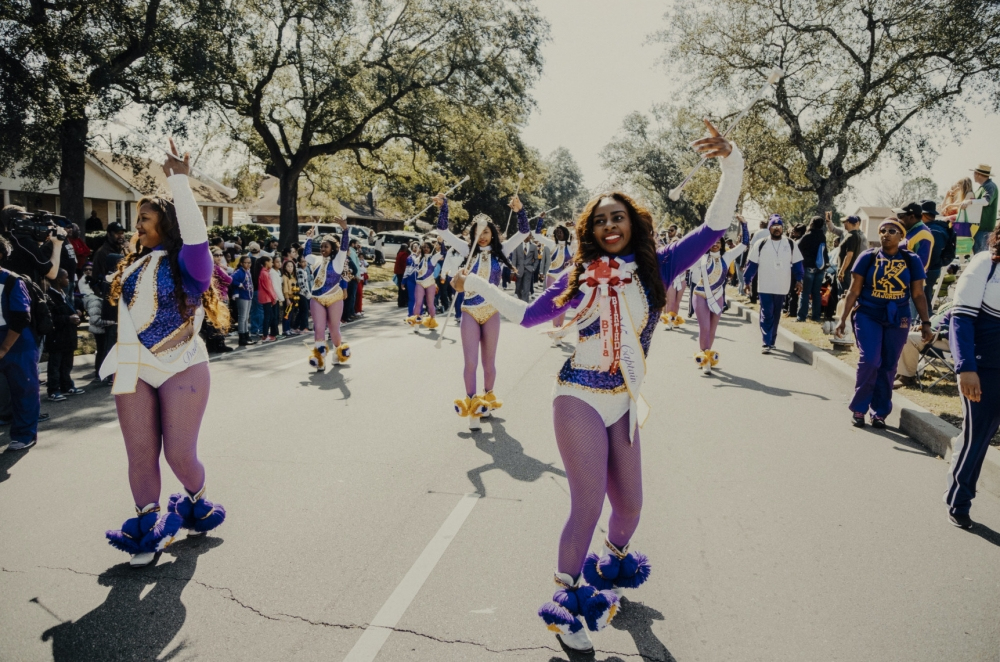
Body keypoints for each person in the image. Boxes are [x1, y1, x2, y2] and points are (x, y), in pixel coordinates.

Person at [452, 120, 742, 653]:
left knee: (629, 507)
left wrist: (731, 161)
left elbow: (714, 227)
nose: (611, 225)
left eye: (619, 217)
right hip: (578, 397)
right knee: (586, 501)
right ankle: (565, 605)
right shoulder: (577, 276)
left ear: (633, 224)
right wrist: (474, 282)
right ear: (590, 228)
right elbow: (525, 314)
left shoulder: (660, 266)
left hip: (624, 402)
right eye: (601, 219)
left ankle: (610, 565)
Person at [100, 143, 227, 567]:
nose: (137, 225)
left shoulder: (191, 262)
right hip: (134, 367)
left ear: (168, 225)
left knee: (178, 454)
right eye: (138, 219)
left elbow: (196, 233)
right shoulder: (132, 266)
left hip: (182, 365)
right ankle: (148, 524)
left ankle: (196, 501)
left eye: (146, 218)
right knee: (139, 452)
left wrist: (178, 181)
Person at [436, 194, 529, 431]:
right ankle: (472, 406)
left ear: (492, 233)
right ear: (472, 234)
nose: (483, 236)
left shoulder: (503, 250)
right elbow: (444, 231)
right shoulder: (467, 249)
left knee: (489, 363)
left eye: (487, 231)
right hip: (469, 310)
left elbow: (523, 233)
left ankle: (487, 399)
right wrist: (444, 206)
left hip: (491, 312)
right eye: (479, 232)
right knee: (470, 362)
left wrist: (520, 211)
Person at [835, 218, 932, 428]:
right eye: (883, 230)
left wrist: (926, 322)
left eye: (892, 231)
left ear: (901, 236)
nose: (886, 234)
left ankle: (879, 411)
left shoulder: (911, 259)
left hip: (899, 316)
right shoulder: (867, 257)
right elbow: (854, 290)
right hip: (868, 313)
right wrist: (842, 319)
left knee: (889, 364)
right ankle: (859, 409)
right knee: (870, 359)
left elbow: (918, 293)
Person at [944, 224, 1000, 528]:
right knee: (977, 436)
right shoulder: (984, 264)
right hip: (982, 367)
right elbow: (961, 321)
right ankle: (959, 498)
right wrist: (966, 367)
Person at [689, 218, 748, 373]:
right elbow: (686, 260)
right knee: (705, 327)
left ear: (721, 244)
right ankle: (705, 360)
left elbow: (744, 245)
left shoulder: (726, 257)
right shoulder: (701, 257)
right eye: (712, 242)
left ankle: (707, 354)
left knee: (713, 329)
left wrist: (745, 225)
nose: (715, 244)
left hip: (718, 297)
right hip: (701, 295)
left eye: (718, 242)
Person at [0, 236, 42, 451]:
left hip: (17, 343)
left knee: (23, 389)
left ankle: (24, 434)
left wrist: (4, 348)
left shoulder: (11, 280)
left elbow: (20, 318)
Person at [743, 215, 804, 353]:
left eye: (779, 227)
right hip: (764, 285)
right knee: (766, 311)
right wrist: (747, 281)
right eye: (774, 227)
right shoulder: (761, 244)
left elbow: (797, 264)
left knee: (776, 314)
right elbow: (751, 265)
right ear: (769, 228)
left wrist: (799, 280)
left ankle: (772, 341)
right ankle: (766, 342)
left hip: (782, 286)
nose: (776, 229)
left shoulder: (790, 243)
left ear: (782, 228)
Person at [303, 220, 351, 371]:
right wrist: (309, 238)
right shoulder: (316, 260)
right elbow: (306, 255)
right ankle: (320, 359)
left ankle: (338, 352)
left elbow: (344, 247)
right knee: (318, 328)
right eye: (322, 246)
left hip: (334, 298)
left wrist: (345, 230)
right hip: (317, 298)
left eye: (326, 246)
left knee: (334, 328)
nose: (323, 248)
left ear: (332, 249)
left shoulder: (338, 261)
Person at [44, 269, 85, 402]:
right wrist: (68, 318)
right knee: (55, 364)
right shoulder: (49, 295)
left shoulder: (63, 293)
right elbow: (51, 317)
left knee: (67, 363)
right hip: (57, 336)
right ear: (58, 279)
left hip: (68, 335)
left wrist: (76, 313)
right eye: (66, 277)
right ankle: (53, 390)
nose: (69, 280)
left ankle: (66, 385)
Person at [534, 221, 577, 334]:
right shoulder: (552, 244)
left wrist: (575, 225)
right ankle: (554, 328)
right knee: (553, 303)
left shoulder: (572, 246)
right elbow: (537, 235)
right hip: (552, 275)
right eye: (557, 232)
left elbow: (583, 238)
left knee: (564, 303)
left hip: (566, 277)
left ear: (566, 233)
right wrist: (540, 219)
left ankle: (560, 329)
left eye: (561, 232)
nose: (559, 234)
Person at [796, 216, 830, 322]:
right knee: (816, 293)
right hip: (820, 268)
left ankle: (802, 317)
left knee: (805, 292)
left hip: (808, 267)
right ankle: (816, 316)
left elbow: (797, 248)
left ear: (811, 224)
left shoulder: (807, 236)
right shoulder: (822, 236)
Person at [404, 238, 442, 329]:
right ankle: (416, 323)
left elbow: (443, 252)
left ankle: (432, 321)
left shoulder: (433, 258)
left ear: (431, 248)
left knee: (430, 304)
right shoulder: (418, 259)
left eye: (428, 247)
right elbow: (410, 263)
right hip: (420, 283)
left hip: (430, 283)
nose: (426, 249)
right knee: (418, 303)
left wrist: (441, 242)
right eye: (424, 247)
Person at [967, 164, 997, 255]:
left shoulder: (990, 186)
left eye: (974, 173)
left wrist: (970, 202)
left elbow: (986, 201)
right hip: (978, 227)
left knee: (982, 256)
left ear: (978, 174)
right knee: (978, 255)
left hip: (984, 228)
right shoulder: (983, 187)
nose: (973, 175)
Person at [230, 255, 256, 346]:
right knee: (242, 317)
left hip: (248, 296)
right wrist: (239, 284)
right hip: (242, 296)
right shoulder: (239, 272)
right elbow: (231, 279)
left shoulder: (247, 271)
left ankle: (246, 335)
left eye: (249, 263)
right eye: (246, 262)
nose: (248, 264)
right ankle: (242, 337)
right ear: (241, 263)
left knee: (246, 317)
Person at [512, 233, 541, 302]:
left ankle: (524, 304)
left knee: (526, 288)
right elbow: (514, 259)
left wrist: (533, 268)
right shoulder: (517, 245)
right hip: (519, 270)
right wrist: (513, 270)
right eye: (528, 235)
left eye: (530, 235)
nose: (529, 236)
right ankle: (519, 301)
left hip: (529, 270)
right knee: (518, 288)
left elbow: (536, 259)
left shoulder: (533, 246)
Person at [255, 256, 278, 342]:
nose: (272, 263)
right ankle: (265, 335)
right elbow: (268, 287)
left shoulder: (264, 272)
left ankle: (266, 334)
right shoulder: (264, 273)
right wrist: (274, 297)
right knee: (268, 317)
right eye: (271, 262)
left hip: (266, 297)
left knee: (269, 316)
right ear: (266, 262)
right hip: (266, 297)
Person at [295, 255, 312, 332]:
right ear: (299, 263)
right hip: (302, 294)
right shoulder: (300, 271)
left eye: (305, 261)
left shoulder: (304, 270)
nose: (304, 263)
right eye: (302, 262)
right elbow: (301, 284)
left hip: (304, 293)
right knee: (304, 311)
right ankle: (303, 327)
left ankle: (296, 326)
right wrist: (308, 294)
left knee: (302, 311)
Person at [268, 255, 285, 336]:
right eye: (277, 262)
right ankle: (274, 334)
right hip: (274, 297)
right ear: (273, 263)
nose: (279, 263)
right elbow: (275, 287)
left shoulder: (278, 272)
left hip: (277, 297)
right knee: (274, 316)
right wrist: (281, 298)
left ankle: (276, 333)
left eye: (280, 261)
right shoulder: (272, 272)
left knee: (277, 316)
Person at [393, 242, 410, 308]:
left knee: (401, 288)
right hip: (402, 273)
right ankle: (402, 302)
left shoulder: (399, 253)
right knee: (403, 288)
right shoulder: (404, 254)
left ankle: (401, 302)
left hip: (399, 272)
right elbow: (404, 264)